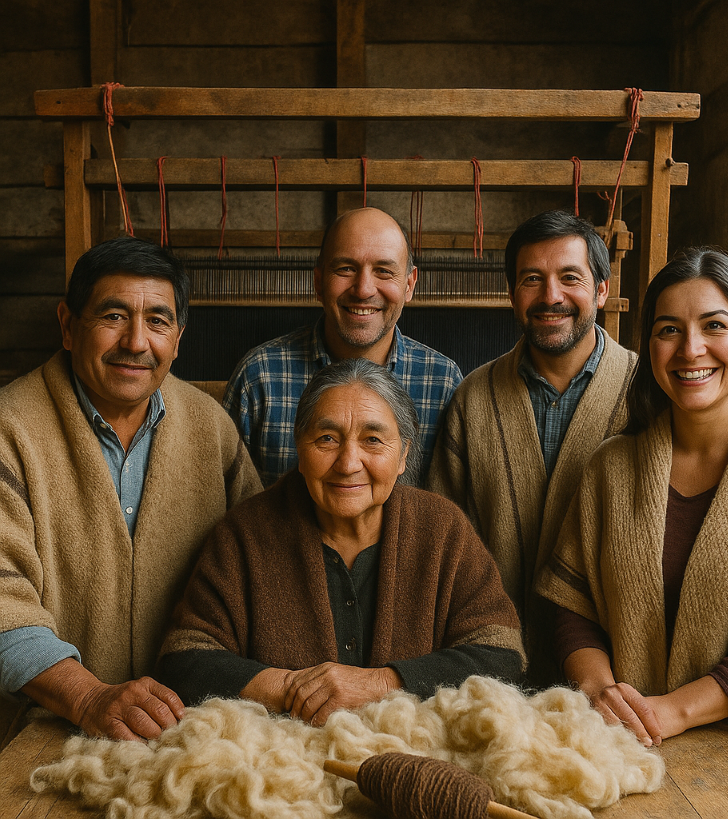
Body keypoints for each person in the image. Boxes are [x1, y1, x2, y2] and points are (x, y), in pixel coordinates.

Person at [539, 248, 728, 759]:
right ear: (648, 349)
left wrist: (670, 711)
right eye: (668, 330)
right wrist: (600, 692)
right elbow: (571, 607)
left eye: (715, 326)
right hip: (621, 744)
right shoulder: (611, 467)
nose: (691, 349)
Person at [158, 359, 524, 725]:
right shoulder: (245, 534)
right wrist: (294, 688)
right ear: (300, 450)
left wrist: (380, 683)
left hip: (415, 755)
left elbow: (502, 653)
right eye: (327, 439)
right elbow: (185, 658)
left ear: (403, 455)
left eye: (373, 440)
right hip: (281, 764)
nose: (348, 463)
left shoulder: (442, 530)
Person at [0, 237, 262, 747]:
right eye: (113, 316)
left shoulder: (212, 427)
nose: (137, 341)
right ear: (68, 325)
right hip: (39, 732)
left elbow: (259, 566)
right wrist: (88, 698)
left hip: (191, 730)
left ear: (178, 338)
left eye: (158, 321)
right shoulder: (10, 429)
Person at [427, 210, 636, 687]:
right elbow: (442, 543)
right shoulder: (472, 398)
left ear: (601, 290)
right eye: (531, 280)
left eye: (570, 278)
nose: (551, 296)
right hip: (493, 674)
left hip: (620, 679)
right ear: (511, 294)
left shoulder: (648, 395)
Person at [223, 207, 462, 487]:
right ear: (318, 282)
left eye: (384, 271)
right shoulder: (259, 376)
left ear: (409, 285)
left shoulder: (443, 382)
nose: (363, 289)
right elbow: (225, 505)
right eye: (345, 269)